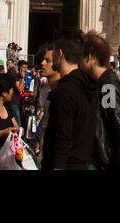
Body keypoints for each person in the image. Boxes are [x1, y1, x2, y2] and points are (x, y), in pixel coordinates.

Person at [81, 31, 120, 171]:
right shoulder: (103, 83)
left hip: (107, 164)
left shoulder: (107, 86)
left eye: (79, 57)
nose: (78, 63)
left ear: (89, 56)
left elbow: (118, 122)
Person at [41, 28, 97, 170]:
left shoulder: (65, 92)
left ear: (59, 54)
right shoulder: (88, 87)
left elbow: (62, 139)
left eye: (52, 52)